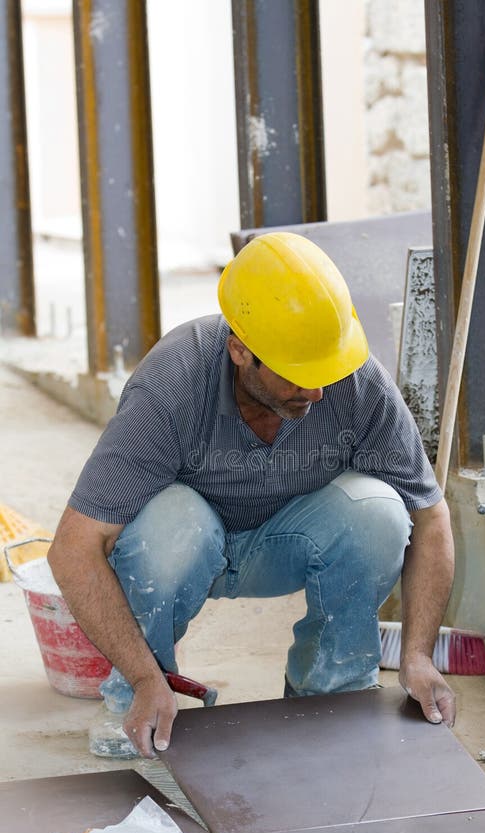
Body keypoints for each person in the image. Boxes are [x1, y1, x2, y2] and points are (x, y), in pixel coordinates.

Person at [48, 231, 455, 760]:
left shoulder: (352, 380)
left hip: (285, 543)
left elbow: (431, 517)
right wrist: (146, 675)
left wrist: (418, 656)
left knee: (381, 512)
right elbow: (73, 548)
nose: (315, 392)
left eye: (323, 374)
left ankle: (331, 692)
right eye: (296, 376)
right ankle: (136, 697)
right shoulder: (174, 383)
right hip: (187, 551)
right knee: (175, 522)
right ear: (240, 350)